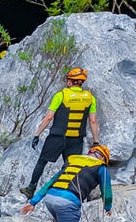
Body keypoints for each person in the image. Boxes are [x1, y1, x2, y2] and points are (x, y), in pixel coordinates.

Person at [22, 143, 112, 222]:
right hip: (67, 202)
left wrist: (33, 202)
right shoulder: (101, 167)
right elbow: (106, 191)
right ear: (103, 158)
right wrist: (108, 207)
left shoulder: (73, 160)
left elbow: (51, 181)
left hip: (50, 199)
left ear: (90, 153)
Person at [23, 67, 100, 198]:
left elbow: (48, 117)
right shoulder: (90, 98)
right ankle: (69, 193)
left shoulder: (61, 95)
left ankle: (31, 189)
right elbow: (92, 121)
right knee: (70, 167)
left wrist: (37, 134)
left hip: (57, 137)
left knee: (42, 162)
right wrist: (96, 141)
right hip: (76, 140)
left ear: (71, 81)